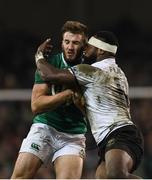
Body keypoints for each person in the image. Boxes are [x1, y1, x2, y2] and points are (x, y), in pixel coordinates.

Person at [35, 31, 144, 179]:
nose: (85, 49)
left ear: (100, 50)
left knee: (116, 175)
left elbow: (48, 74)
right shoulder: (119, 73)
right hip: (118, 135)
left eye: (89, 46)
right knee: (102, 177)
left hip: (119, 134)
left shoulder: (91, 71)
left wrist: (39, 56)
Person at [11, 21, 88, 179]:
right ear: (62, 42)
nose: (70, 47)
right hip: (45, 127)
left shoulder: (90, 70)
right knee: (19, 177)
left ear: (84, 46)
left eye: (75, 43)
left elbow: (89, 111)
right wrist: (66, 95)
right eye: (67, 42)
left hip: (73, 135)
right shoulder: (50, 64)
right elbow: (36, 105)